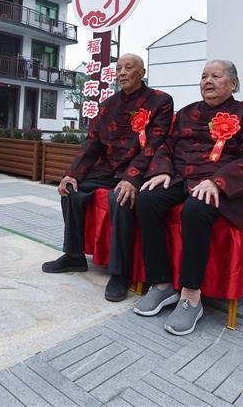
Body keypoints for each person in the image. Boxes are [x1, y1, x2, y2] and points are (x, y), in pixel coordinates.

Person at [134, 60, 243, 335]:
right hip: (182, 178)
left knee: (195, 209)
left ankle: (190, 297)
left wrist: (219, 181)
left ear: (233, 84)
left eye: (215, 76)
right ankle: (162, 285)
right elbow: (166, 147)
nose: (207, 81)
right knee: (148, 199)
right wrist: (162, 171)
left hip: (221, 185)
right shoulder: (186, 113)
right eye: (203, 76)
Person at [41, 54, 173, 301]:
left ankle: (120, 273)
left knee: (120, 199)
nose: (122, 73)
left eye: (129, 68)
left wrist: (132, 178)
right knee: (71, 190)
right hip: (108, 169)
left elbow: (156, 142)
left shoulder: (160, 101)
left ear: (142, 72)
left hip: (140, 171)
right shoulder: (108, 105)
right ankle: (74, 255)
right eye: (119, 68)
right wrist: (72, 174)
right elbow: (92, 142)